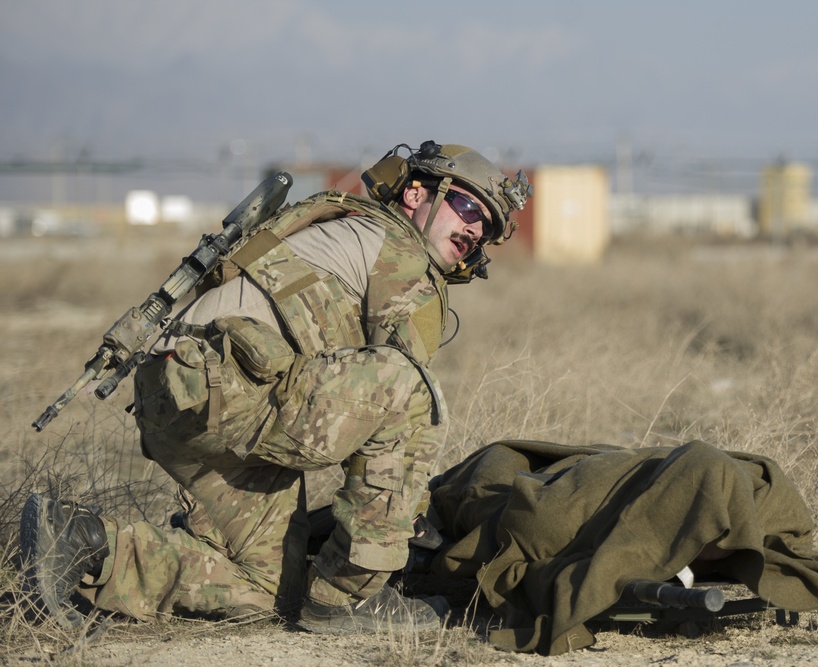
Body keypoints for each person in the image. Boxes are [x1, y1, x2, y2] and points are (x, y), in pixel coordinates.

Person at [19, 141, 532, 634]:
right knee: (409, 388)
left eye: (485, 227)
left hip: (178, 398)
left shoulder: (342, 223)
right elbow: (396, 394)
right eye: (466, 205)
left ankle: (83, 546)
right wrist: (404, 524)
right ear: (416, 195)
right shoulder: (400, 251)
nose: (473, 227)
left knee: (271, 590)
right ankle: (349, 598)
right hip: (232, 389)